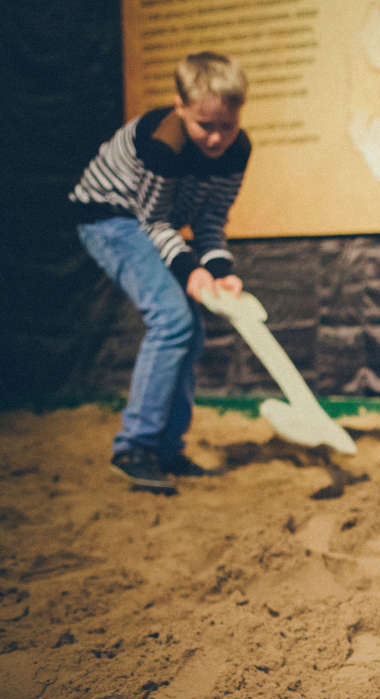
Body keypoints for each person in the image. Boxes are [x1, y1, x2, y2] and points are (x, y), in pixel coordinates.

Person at [70, 52, 251, 493]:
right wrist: (190, 271)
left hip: (152, 224)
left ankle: (168, 448)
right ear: (180, 107)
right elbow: (155, 223)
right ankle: (135, 448)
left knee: (191, 328)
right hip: (110, 217)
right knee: (171, 318)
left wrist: (219, 270)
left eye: (226, 125)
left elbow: (209, 222)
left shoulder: (237, 149)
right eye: (204, 125)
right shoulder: (162, 144)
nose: (216, 138)